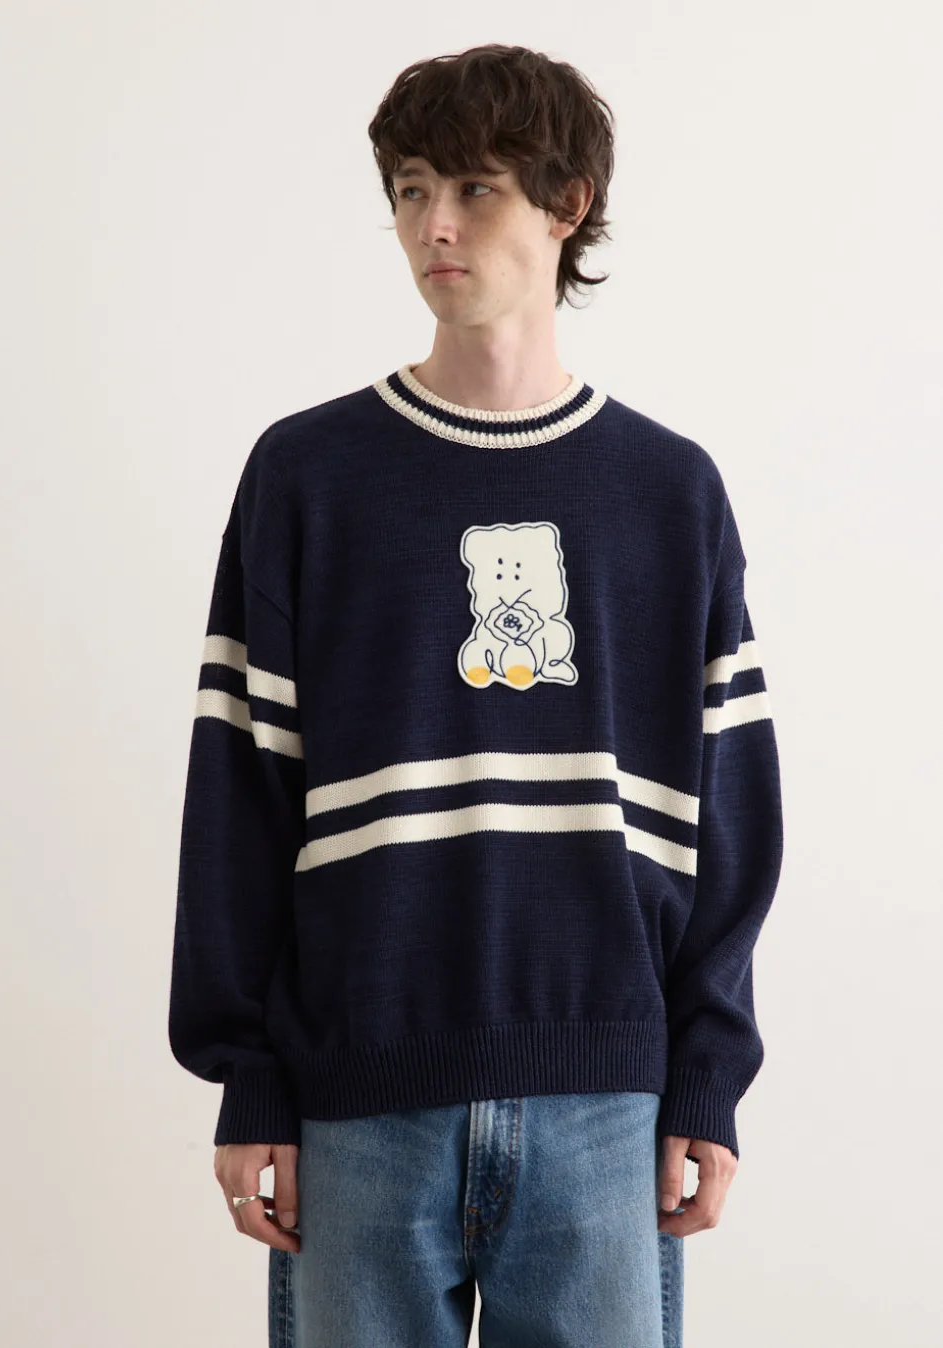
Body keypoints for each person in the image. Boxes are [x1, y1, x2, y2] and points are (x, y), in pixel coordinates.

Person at [168, 42, 784, 1348]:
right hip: (357, 1101)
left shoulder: (668, 494)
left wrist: (707, 1073)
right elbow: (240, 791)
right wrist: (250, 1077)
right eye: (408, 189)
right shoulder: (307, 477)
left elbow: (728, 815)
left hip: (607, 1108)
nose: (432, 225)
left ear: (567, 205)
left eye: (473, 188)